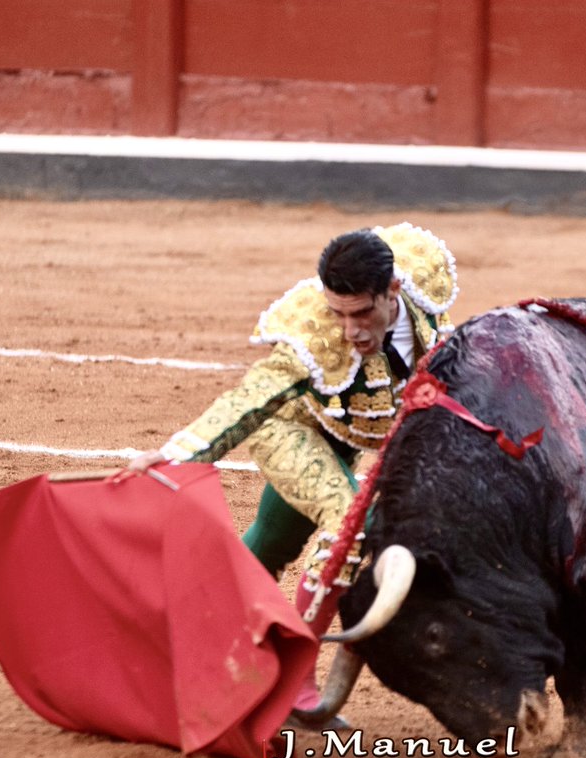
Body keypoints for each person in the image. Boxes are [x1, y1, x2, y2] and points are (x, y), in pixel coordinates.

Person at [123, 222, 459, 718]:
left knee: (272, 540)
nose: (351, 331)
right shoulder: (311, 333)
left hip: (348, 434)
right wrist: (182, 452)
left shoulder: (423, 291)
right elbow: (253, 396)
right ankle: (289, 680)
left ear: (393, 291)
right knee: (348, 525)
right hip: (290, 426)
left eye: (363, 313)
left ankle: (181, 633)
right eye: (338, 314)